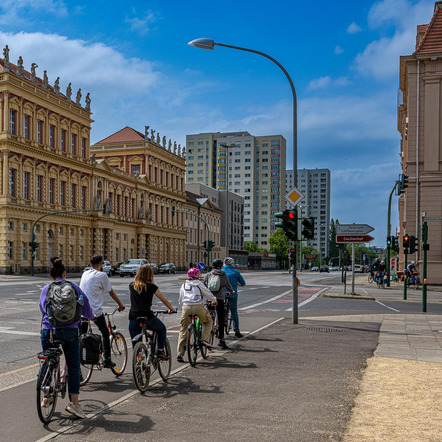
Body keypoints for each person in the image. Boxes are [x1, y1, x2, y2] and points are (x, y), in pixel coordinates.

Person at [39, 257, 94, 419]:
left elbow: (43, 309)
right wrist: (90, 316)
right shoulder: (74, 287)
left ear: (51, 275)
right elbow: (85, 306)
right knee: (74, 366)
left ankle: (45, 396)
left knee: (48, 361)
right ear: (64, 273)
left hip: (50, 330)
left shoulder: (46, 289)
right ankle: (74, 404)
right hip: (70, 331)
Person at [80, 255, 125, 368]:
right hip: (95, 311)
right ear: (101, 265)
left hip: (81, 311)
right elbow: (111, 292)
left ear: (90, 265)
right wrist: (120, 305)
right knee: (105, 333)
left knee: (81, 337)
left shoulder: (85, 273)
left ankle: (78, 365)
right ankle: (106, 359)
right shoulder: (102, 275)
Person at [128, 264, 175, 358]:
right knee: (161, 329)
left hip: (133, 317)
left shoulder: (132, 285)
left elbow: (131, 299)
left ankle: (137, 363)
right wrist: (171, 309)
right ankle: (160, 350)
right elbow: (164, 300)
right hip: (147, 317)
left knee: (135, 342)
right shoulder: (151, 286)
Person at [177, 267, 217, 362]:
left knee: (183, 329)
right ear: (198, 276)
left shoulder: (184, 284)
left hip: (186, 307)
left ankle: (180, 353)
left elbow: (180, 298)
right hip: (198, 306)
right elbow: (208, 294)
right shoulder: (199, 284)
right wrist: (214, 300)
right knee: (208, 321)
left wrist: (183, 305)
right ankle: (204, 340)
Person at [203, 259, 234, 349]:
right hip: (219, 299)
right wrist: (231, 291)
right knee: (221, 319)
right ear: (221, 266)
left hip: (209, 299)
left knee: (208, 320)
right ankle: (221, 340)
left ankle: (206, 339)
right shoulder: (222, 274)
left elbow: (203, 285)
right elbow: (227, 285)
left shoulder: (208, 274)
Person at [223, 257, 246, 338]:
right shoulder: (235, 272)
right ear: (232, 264)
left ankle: (219, 328)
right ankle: (236, 331)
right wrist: (240, 284)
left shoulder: (221, 272)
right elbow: (243, 282)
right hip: (232, 294)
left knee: (221, 312)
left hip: (222, 295)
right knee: (234, 312)